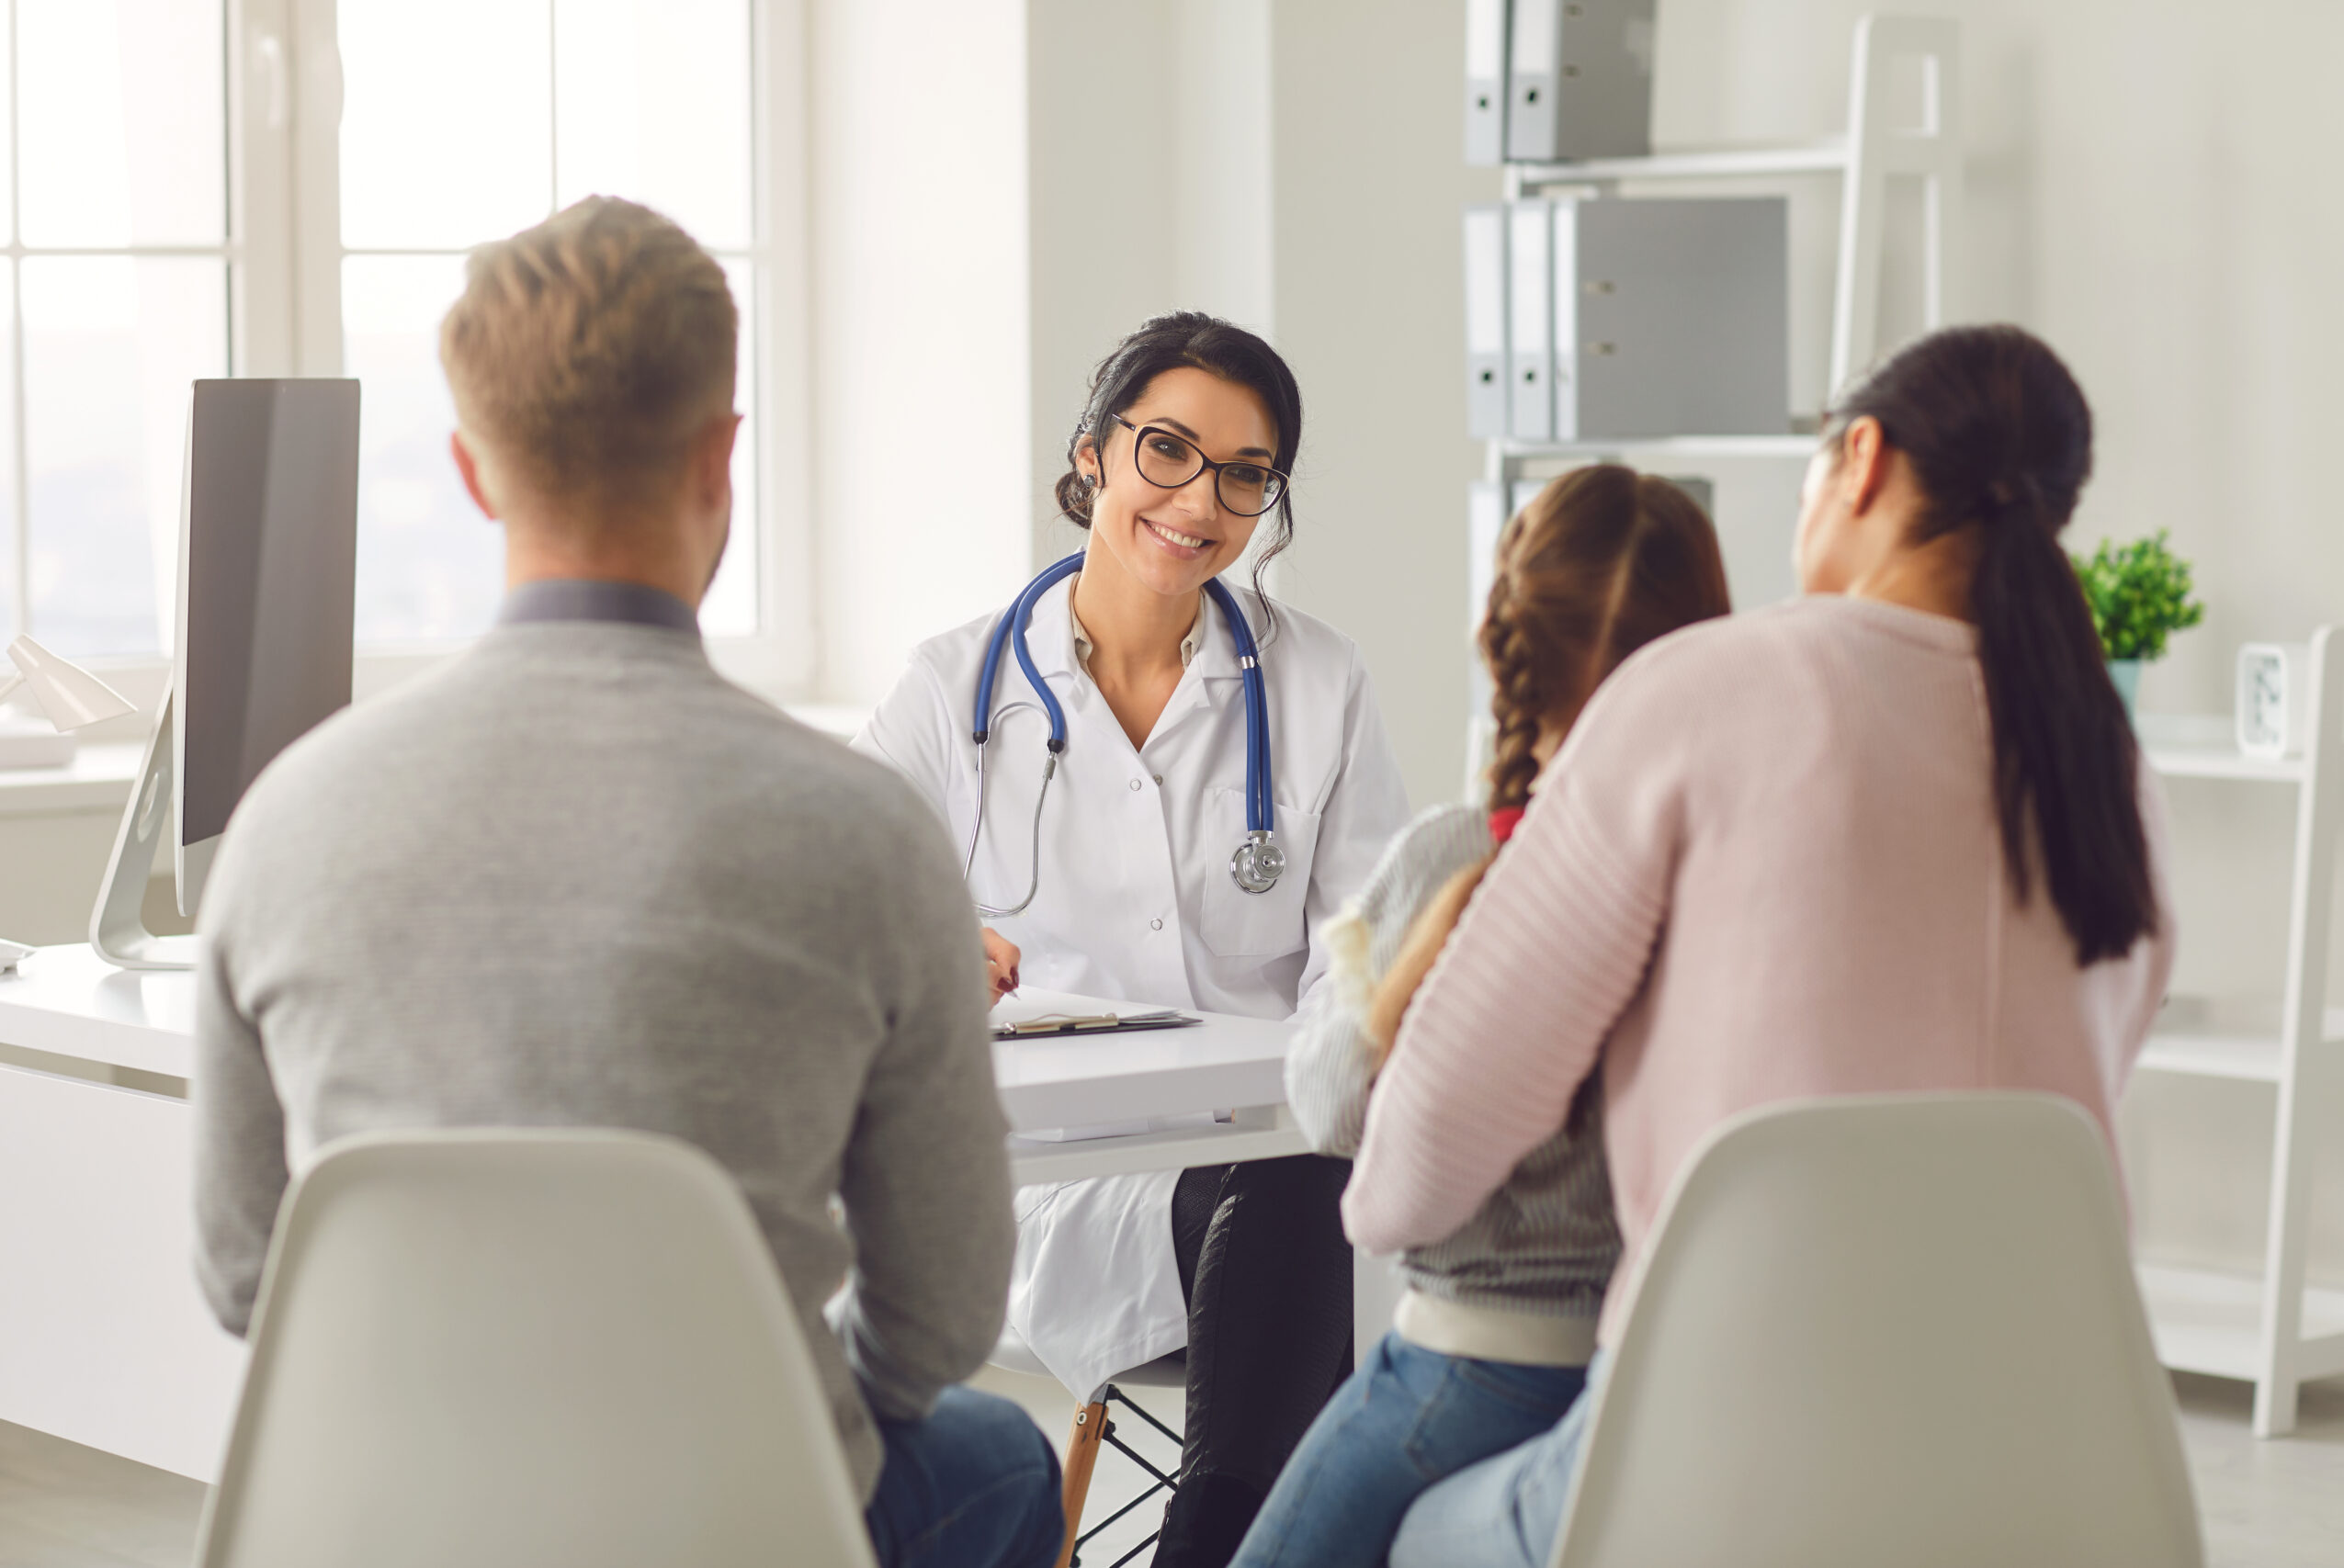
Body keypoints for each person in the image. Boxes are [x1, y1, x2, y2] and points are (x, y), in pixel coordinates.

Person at [189, 197, 1062, 1568]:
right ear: (723, 455)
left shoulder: (286, 819)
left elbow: (247, 1274)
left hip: (393, 1520)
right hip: (739, 1518)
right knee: (1002, 1452)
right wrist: (785, 1418)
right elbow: (946, 1315)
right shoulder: (868, 836)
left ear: (475, 470)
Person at [1349, 324, 2177, 1568]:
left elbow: (1421, 1152)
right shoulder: (2109, 767)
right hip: (2056, 1459)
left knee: (1412, 1530)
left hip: (1722, 1456)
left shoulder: (1697, 690)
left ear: (1862, 459)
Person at [852, 311, 1411, 1565]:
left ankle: (1199, 1544)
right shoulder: (952, 693)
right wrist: (931, 946)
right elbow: (831, 916)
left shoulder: (1319, 685)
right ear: (1093, 454)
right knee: (1318, 1217)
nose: (1199, 499)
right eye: (1166, 449)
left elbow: (1366, 958)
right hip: (1051, 1189)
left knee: (1308, 1178)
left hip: (1279, 1161)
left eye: (1244, 473)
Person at [1231, 466, 1731, 1568]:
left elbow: (1329, 1105)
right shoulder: (1739, 876)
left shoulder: (1463, 859)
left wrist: (1384, 978)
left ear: (1500, 635)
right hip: (1665, 1377)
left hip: (1469, 1368)